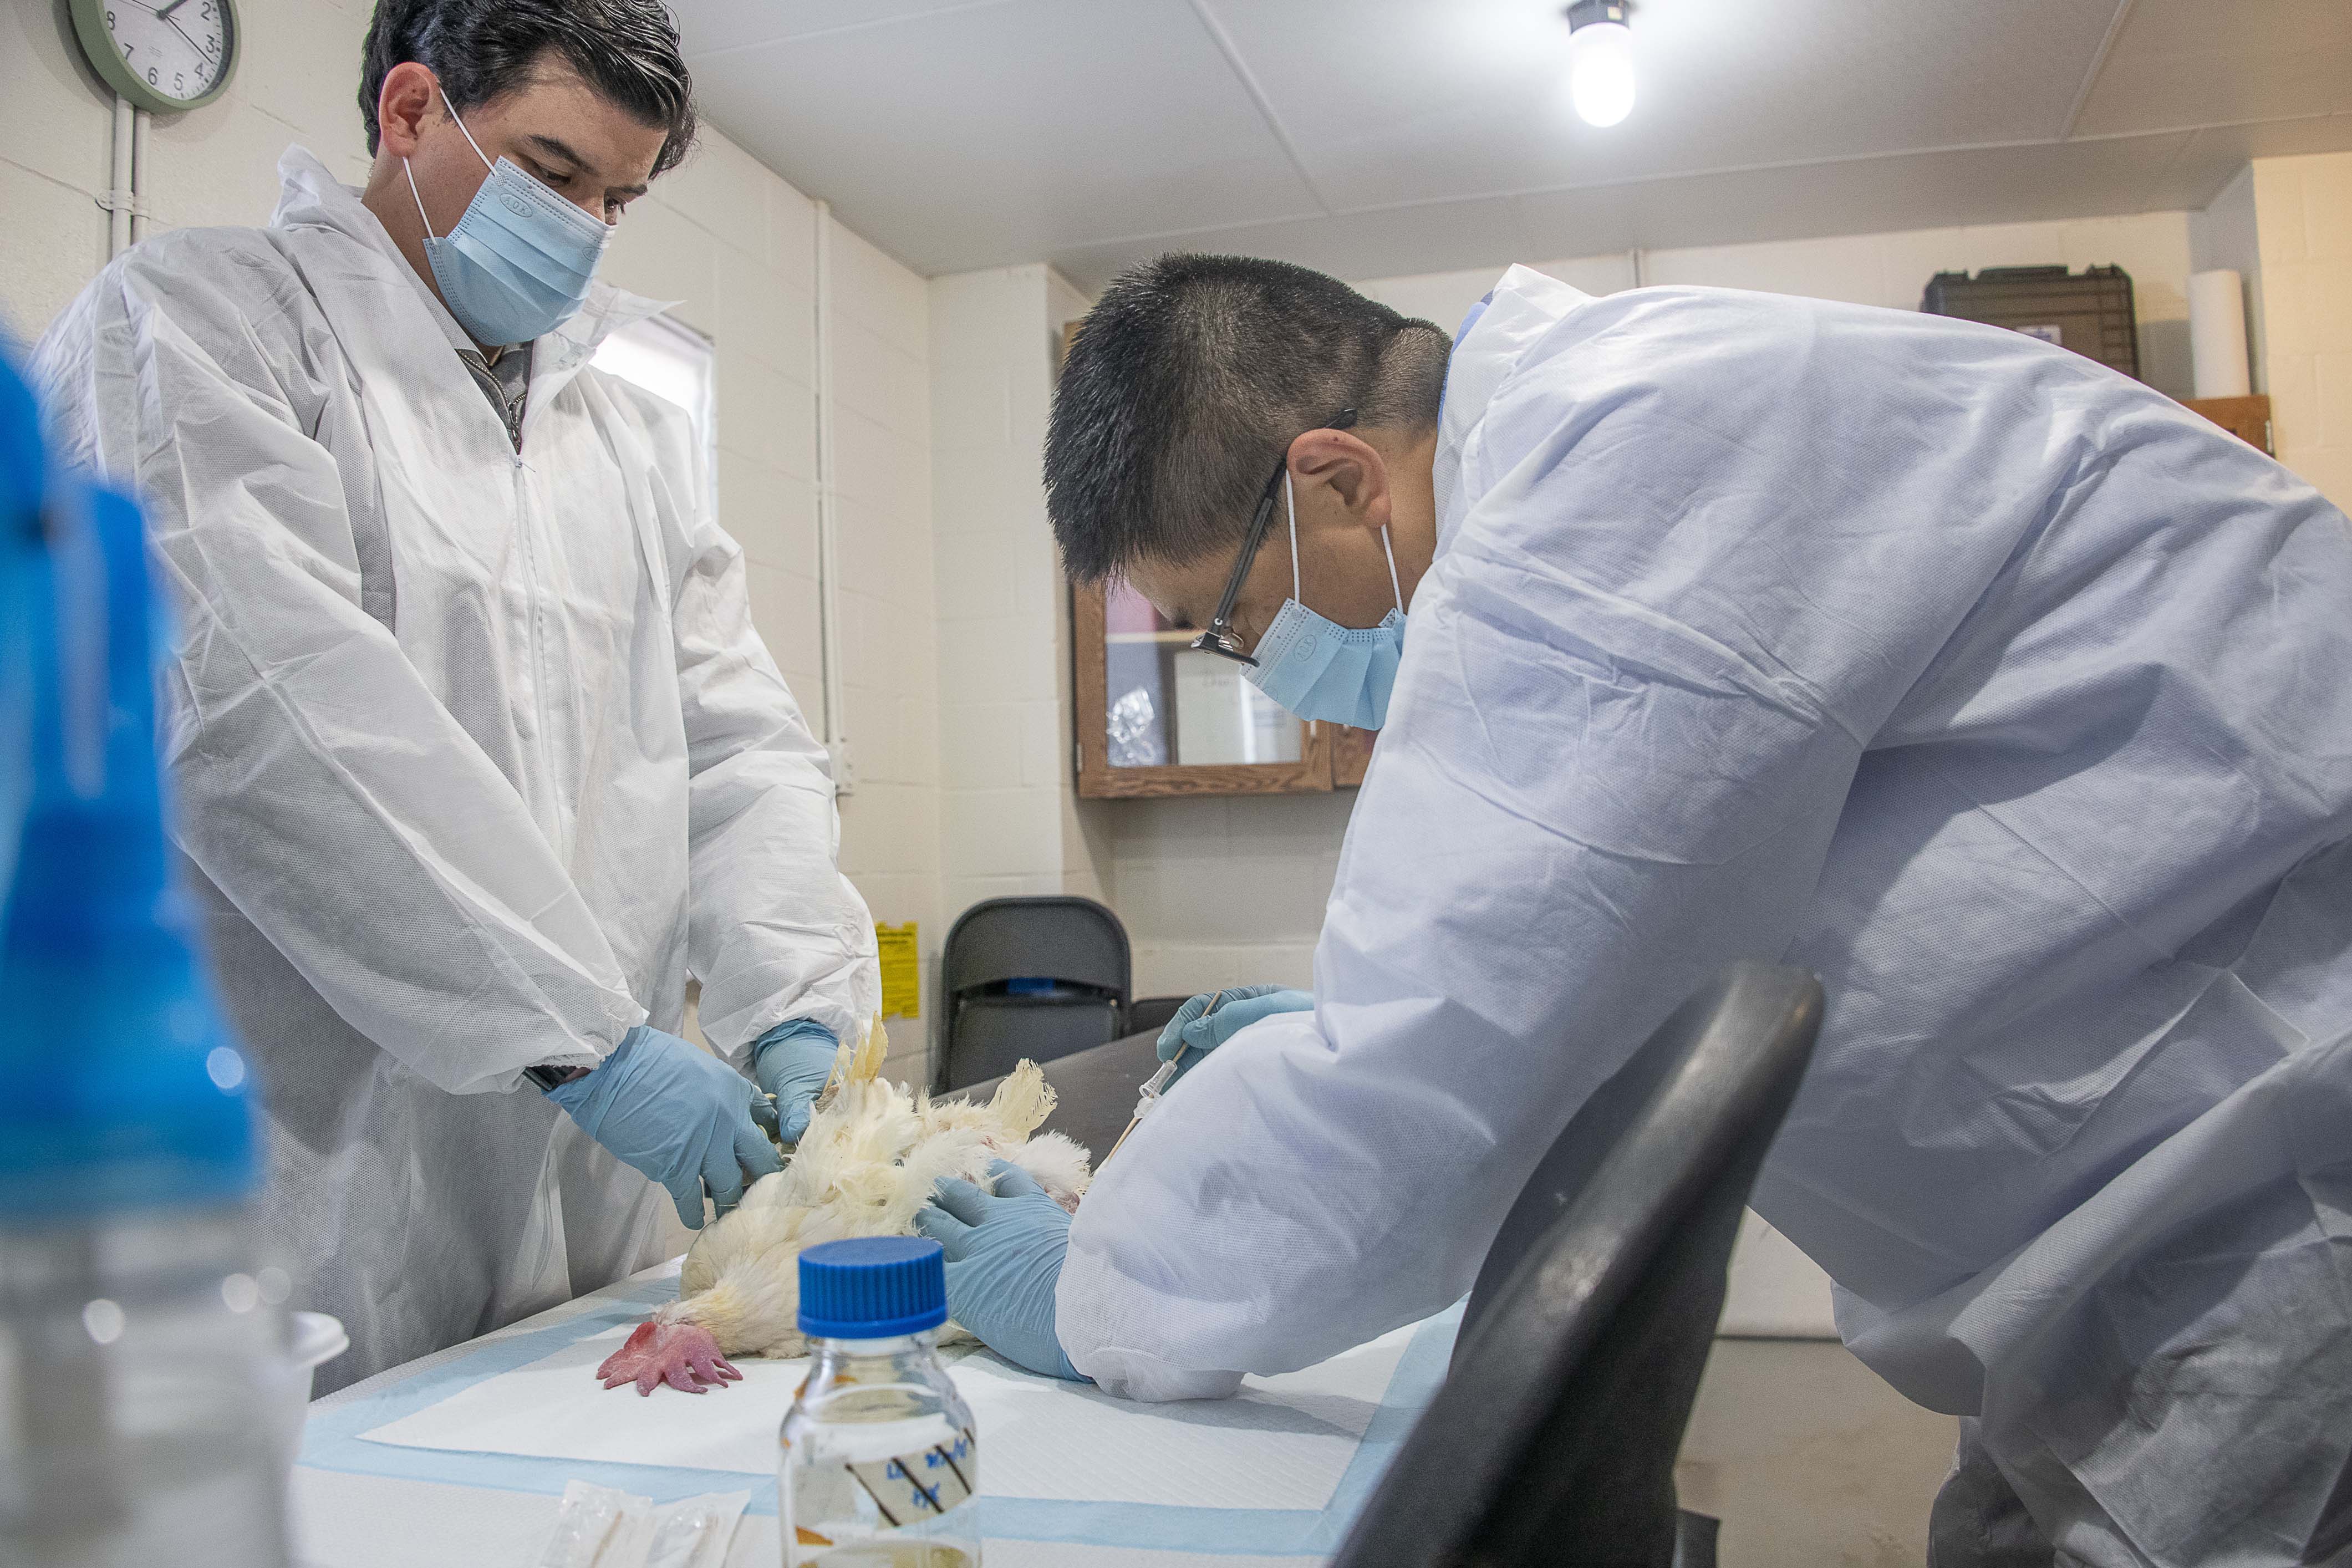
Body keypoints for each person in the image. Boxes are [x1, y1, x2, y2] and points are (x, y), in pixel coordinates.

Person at [920, 256, 2352, 1565]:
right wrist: (1351, 1032)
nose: (1260, 659)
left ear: (1340, 482)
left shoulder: (1611, 462)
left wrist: (1091, 1286)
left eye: (1234, 614)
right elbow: (1612, 942)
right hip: (2134, 1253)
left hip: (2265, 1221)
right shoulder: (1617, 426)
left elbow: (1442, 1075)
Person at [31, 0, 873, 1392]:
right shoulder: (198, 326)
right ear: (411, 111)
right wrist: (586, 1043)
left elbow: (737, 746)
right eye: (553, 175)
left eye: (618, 199)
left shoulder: (629, 438)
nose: (589, 230)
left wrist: (794, 1000)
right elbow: (263, 714)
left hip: (588, 1222)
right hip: (312, 1183)